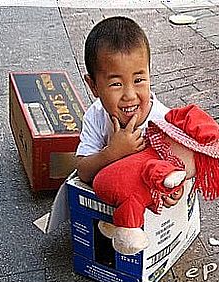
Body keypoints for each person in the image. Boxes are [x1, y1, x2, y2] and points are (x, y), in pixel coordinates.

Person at [76, 16, 182, 207]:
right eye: (116, 84)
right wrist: (112, 153)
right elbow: (83, 171)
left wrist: (175, 187)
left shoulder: (163, 120)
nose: (130, 95)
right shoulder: (96, 115)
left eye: (139, 80)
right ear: (93, 87)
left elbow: (180, 165)